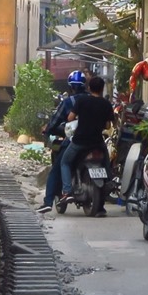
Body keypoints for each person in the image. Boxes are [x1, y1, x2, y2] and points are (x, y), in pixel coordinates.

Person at [58, 76, 115, 217]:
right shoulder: (106, 104)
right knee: (106, 163)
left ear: (89, 88)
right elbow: (108, 125)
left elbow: (70, 118)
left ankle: (66, 191)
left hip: (80, 141)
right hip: (97, 142)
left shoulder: (82, 101)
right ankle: (109, 181)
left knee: (64, 162)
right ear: (102, 89)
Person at [36, 71, 88, 214]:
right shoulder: (94, 100)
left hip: (75, 141)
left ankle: (50, 201)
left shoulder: (69, 102)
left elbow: (56, 120)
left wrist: (47, 131)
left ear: (71, 87)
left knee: (57, 168)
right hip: (96, 141)